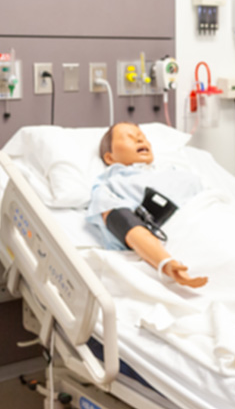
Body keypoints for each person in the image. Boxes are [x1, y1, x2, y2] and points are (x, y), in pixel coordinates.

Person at [87, 122, 208, 288]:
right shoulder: (112, 184)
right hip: (181, 241)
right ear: (110, 157)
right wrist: (165, 262)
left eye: (142, 137)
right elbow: (123, 222)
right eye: (129, 137)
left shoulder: (175, 172)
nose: (140, 140)